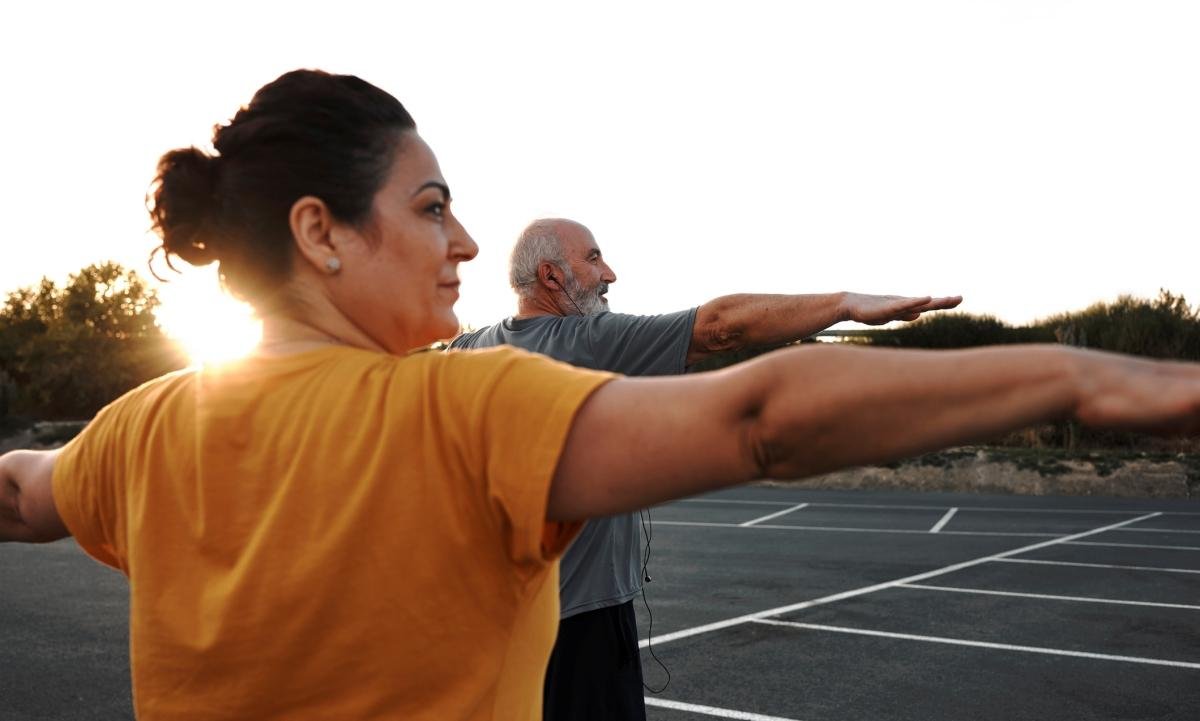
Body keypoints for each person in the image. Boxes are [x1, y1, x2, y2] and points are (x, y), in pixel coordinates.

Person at [1, 69, 1197, 721]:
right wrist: (1082, 372)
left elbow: (18, 492)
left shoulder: (139, 432)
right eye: (430, 206)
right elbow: (759, 417)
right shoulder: (459, 409)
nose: (464, 240)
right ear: (320, 232)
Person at [450, 217, 963, 721]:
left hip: (493, 621)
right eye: (593, 258)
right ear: (550, 277)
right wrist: (844, 304)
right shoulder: (587, 342)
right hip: (581, 622)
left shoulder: (466, 353)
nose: (609, 274)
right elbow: (721, 327)